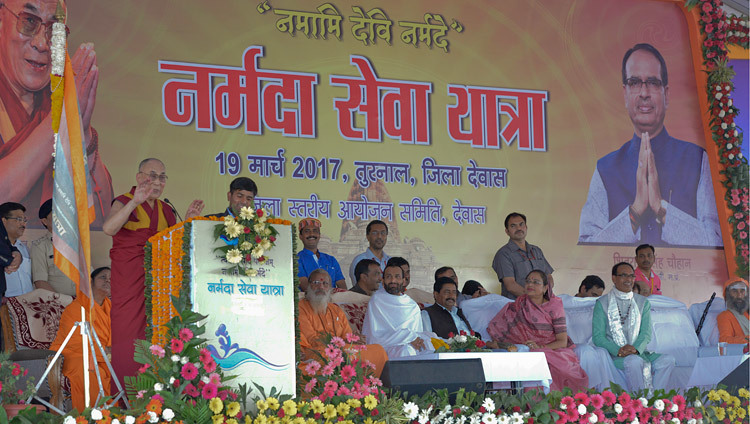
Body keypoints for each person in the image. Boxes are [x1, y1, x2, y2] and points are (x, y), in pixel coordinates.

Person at [579, 43, 721, 247]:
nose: (644, 92)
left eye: (653, 82)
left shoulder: (697, 159)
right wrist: (635, 211)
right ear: (625, 94)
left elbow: (715, 243)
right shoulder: (606, 168)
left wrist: (660, 207)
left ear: (667, 94)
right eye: (635, 82)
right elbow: (587, 247)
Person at [0, 0, 113, 225]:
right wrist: (61, 118)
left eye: (55, 30)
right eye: (29, 21)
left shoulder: (56, 103)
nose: (43, 44)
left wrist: (82, 132)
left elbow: (101, 217)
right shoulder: (59, 111)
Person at [103, 158, 204, 385]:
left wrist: (186, 222)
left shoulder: (166, 209)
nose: (157, 182)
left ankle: (158, 392)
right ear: (139, 177)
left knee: (159, 334)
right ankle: (127, 393)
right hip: (130, 283)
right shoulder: (124, 201)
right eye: (152, 175)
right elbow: (109, 228)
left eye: (162, 177)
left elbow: (173, 244)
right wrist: (134, 203)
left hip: (158, 284)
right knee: (129, 336)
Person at [487, 270, 588, 392]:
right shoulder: (519, 305)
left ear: (545, 288)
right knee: (530, 371)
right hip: (527, 350)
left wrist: (540, 347)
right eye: (528, 281)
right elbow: (501, 328)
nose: (530, 285)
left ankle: (564, 405)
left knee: (565, 369)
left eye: (536, 282)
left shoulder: (554, 306)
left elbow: (562, 341)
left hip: (554, 349)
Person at [593, 262, 675, 391]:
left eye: (631, 276)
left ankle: (655, 399)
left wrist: (636, 349)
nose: (629, 280)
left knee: (668, 360)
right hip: (615, 355)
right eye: (624, 275)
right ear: (614, 278)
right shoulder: (602, 303)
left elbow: (646, 333)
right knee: (634, 362)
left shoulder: (642, 302)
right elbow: (598, 337)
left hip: (639, 353)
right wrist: (619, 350)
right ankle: (639, 403)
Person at [298, 269, 388, 377]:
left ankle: (371, 388)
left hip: (341, 350)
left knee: (378, 350)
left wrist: (355, 340)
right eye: (316, 283)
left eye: (325, 283)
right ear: (308, 286)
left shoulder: (336, 310)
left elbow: (347, 336)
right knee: (339, 355)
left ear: (330, 288)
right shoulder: (301, 307)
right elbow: (312, 339)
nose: (321, 287)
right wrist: (341, 343)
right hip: (317, 352)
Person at [50, 267, 111, 411]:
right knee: (92, 371)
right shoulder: (77, 308)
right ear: (90, 282)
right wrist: (107, 351)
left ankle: (123, 414)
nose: (108, 280)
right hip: (73, 355)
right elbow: (77, 342)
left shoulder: (111, 307)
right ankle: (93, 416)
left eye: (111, 278)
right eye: (103, 277)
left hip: (104, 355)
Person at [362, 264, 435, 358]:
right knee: (406, 351)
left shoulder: (412, 305)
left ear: (404, 281)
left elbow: (417, 335)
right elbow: (374, 337)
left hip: (411, 347)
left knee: (431, 347)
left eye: (397, 277)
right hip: (385, 348)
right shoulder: (376, 300)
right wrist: (408, 337)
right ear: (383, 281)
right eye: (389, 277)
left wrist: (416, 340)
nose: (393, 280)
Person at [491, 212, 554, 300]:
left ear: (526, 227)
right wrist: (535, 299)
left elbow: (549, 277)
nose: (519, 228)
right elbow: (511, 285)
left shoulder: (536, 251)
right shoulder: (503, 254)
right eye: (513, 226)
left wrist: (545, 295)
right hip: (517, 307)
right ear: (507, 231)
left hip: (541, 305)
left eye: (521, 224)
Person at [30, 199, 75, 296]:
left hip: (81, 304)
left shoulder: (78, 244)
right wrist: (63, 301)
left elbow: (90, 277)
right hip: (58, 305)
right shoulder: (40, 246)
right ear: (45, 221)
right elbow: (40, 283)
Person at [296, 218, 346, 290]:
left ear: (319, 235)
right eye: (307, 231)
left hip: (332, 300)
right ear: (300, 236)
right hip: (309, 300)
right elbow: (306, 287)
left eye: (315, 231)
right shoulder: (297, 260)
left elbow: (342, 286)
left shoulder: (331, 260)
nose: (311, 234)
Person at [0, 202, 32, 298]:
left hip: (28, 303)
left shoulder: (24, 248)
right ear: (3, 220)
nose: (23, 223)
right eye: (18, 219)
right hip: (6, 305)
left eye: (24, 220)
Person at [348, 220, 390, 287]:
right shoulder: (359, 260)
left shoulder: (391, 261)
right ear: (367, 236)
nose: (379, 236)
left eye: (383, 233)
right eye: (375, 233)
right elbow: (359, 290)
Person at [717, 278, 749, 344]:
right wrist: (747, 339)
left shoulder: (747, 313)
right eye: (734, 291)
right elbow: (724, 340)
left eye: (742, 291)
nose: (739, 296)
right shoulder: (725, 316)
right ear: (727, 294)